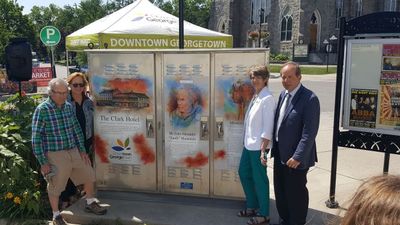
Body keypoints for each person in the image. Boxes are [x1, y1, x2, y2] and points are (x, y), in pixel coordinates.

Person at [32, 78, 106, 225]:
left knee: (88, 174)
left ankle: (90, 202)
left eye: (65, 93)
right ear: (51, 92)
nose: (63, 96)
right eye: (60, 93)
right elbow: (36, 138)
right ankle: (56, 215)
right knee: (56, 185)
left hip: (73, 150)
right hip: (55, 153)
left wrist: (83, 151)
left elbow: (77, 129)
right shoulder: (42, 110)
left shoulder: (67, 106)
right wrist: (43, 162)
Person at [272, 62, 320, 225]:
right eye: (283, 77)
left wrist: (298, 156)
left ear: (299, 77)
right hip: (279, 153)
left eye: (290, 77)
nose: (285, 80)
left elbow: (309, 132)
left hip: (295, 157)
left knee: (296, 193)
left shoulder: (309, 98)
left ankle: (297, 222)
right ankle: (285, 220)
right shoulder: (282, 95)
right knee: (281, 191)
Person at [237, 65, 275, 225]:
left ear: (265, 79)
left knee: (260, 180)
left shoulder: (267, 99)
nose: (255, 80)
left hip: (258, 148)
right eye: (253, 77)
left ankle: (264, 213)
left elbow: (268, 128)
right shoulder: (256, 96)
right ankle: (252, 206)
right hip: (248, 145)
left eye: (258, 77)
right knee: (243, 173)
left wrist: (262, 151)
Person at [58, 72, 94, 209]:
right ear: (69, 86)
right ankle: (65, 199)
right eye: (75, 84)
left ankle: (76, 194)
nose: (79, 87)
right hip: (70, 141)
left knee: (82, 169)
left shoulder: (89, 102)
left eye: (82, 84)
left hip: (86, 139)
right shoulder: (64, 102)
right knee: (67, 170)